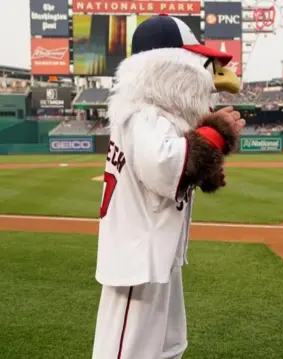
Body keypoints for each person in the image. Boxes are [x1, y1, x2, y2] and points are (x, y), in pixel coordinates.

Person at [91, 15, 245, 359]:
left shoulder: (157, 113)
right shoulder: (144, 113)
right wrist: (215, 133)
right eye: (196, 60)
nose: (205, 71)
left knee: (167, 345)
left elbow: (171, 169)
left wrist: (202, 170)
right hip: (138, 257)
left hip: (155, 253)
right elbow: (164, 167)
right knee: (126, 352)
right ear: (170, 65)